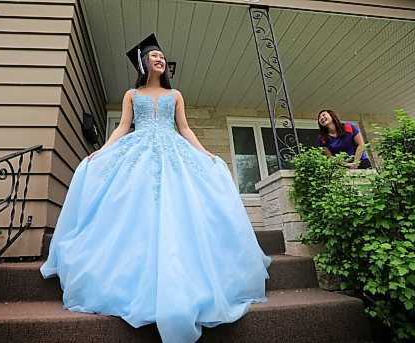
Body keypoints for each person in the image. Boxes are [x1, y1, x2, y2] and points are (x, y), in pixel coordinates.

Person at [40, 33, 271, 343]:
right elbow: (123, 126)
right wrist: (103, 150)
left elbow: (184, 128)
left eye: (162, 56)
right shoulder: (130, 94)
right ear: (143, 62)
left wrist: (205, 153)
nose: (160, 59)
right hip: (138, 150)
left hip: (173, 151)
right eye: (154, 56)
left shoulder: (175, 95)